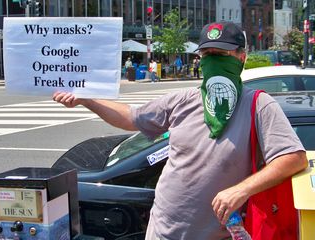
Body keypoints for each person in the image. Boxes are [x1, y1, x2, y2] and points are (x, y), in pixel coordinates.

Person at [53, 21, 307, 239]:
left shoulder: (258, 105)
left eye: (222, 54)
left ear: (242, 57)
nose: (213, 61)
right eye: (207, 55)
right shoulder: (183, 100)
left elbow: (293, 158)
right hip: (163, 230)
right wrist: (87, 100)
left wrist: (241, 190)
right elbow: (131, 118)